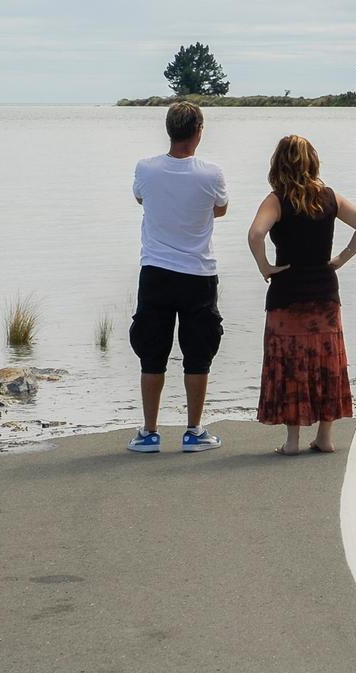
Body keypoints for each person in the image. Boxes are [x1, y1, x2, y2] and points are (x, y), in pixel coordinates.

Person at [247, 135, 356, 455]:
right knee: (325, 364)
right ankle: (325, 437)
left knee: (291, 364)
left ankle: (292, 442)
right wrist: (340, 259)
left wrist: (265, 266)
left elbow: (255, 234)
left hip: (287, 296)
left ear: (278, 163)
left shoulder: (276, 200)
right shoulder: (329, 197)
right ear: (312, 162)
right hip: (324, 296)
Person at [127, 102, 228, 453]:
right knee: (198, 353)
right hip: (198, 273)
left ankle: (149, 432)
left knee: (151, 352)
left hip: (155, 271)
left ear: (169, 130)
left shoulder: (146, 168)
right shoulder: (211, 173)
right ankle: (193, 431)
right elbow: (221, 208)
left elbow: (141, 198)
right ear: (198, 131)